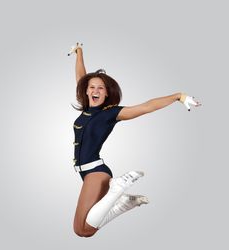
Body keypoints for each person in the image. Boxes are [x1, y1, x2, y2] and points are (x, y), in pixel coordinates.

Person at [69, 43, 201, 238]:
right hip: (85, 173)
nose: (95, 90)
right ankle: (124, 203)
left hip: (96, 173)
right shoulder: (86, 109)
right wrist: (79, 52)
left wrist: (178, 96)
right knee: (86, 229)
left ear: (107, 93)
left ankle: (118, 189)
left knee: (81, 231)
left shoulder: (111, 113)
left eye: (100, 88)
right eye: (92, 87)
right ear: (86, 90)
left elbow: (146, 106)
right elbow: (81, 77)